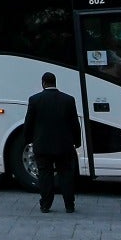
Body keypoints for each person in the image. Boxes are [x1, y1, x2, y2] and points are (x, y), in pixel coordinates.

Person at [23, 72, 81, 213]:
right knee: (66, 174)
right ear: (55, 82)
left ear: (43, 83)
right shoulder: (68, 100)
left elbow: (28, 123)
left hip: (42, 145)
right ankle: (69, 205)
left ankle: (45, 204)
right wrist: (77, 141)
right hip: (64, 145)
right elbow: (75, 123)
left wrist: (29, 140)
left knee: (45, 175)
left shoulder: (35, 100)